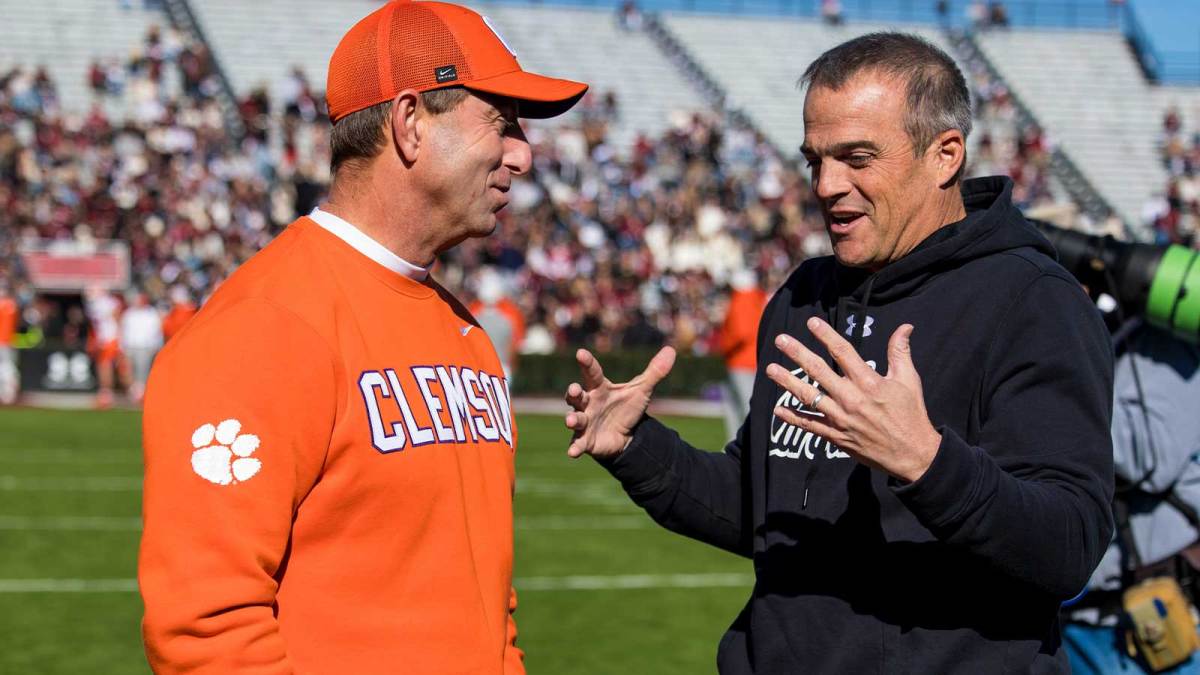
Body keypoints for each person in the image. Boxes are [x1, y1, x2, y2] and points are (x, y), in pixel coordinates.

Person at [562, 32, 1114, 672]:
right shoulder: (804, 297)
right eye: (814, 160)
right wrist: (637, 448)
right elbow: (760, 511)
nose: (826, 185)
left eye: (857, 157)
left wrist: (926, 463)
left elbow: (1070, 545)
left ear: (945, 155)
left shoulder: (1033, 300)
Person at [138, 2, 586, 673]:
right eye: (503, 122)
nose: (523, 154)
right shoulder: (264, 324)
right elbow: (206, 627)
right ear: (409, 123)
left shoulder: (467, 334)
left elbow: (489, 606)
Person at [1064, 320, 1200, 674]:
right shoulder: (1117, 329)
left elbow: (1146, 453)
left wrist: (1046, 390)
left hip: (1151, 630)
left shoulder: (1175, 340)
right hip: (1078, 620)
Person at [716, 268, 767, 439]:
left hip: (740, 361)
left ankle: (744, 446)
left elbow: (741, 332)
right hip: (753, 360)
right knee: (743, 406)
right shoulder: (758, 299)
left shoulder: (741, 301)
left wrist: (724, 345)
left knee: (743, 407)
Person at [118, 291, 162, 403]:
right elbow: (123, 330)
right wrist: (121, 346)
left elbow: (156, 331)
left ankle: (140, 394)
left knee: (142, 372)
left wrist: (156, 345)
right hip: (130, 345)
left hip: (145, 346)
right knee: (128, 370)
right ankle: (133, 393)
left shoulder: (151, 313)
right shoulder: (129, 313)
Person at [0, 285, 18, 405]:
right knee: (7, 367)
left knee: (5, 367)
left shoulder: (5, 305)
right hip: (7, 341)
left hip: (4, 341)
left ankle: (7, 394)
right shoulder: (12, 304)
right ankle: (8, 394)